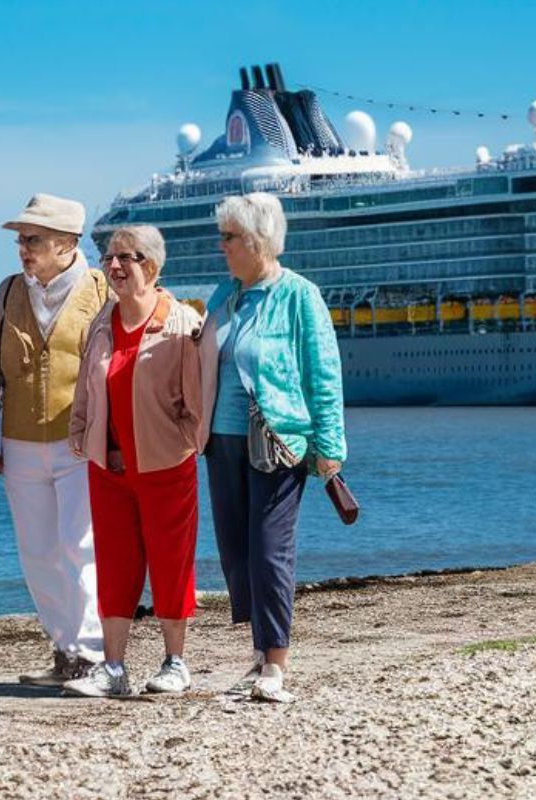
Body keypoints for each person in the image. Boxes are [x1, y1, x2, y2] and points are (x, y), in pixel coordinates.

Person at [199, 192, 346, 703]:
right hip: (221, 441)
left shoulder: (300, 296)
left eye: (229, 238)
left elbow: (322, 373)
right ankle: (260, 654)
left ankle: (276, 663)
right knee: (236, 553)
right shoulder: (226, 294)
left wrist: (328, 445)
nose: (221, 247)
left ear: (258, 241)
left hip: (278, 441)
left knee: (268, 550)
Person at [0, 193, 111, 686]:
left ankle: (93, 653)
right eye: (20, 240)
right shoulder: (9, 292)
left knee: (81, 546)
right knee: (37, 553)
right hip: (21, 444)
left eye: (33, 239)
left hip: (82, 443)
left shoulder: (100, 290)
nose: (22, 249)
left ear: (68, 243)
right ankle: (66, 651)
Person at [60, 225, 204, 698]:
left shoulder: (181, 324)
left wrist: (178, 441)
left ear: (153, 267)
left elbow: (195, 403)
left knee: (170, 562)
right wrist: (81, 432)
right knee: (116, 564)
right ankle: (115, 668)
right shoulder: (101, 323)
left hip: (164, 465)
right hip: (109, 466)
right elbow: (86, 386)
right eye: (109, 257)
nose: (115, 265)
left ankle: (175, 662)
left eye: (128, 257)